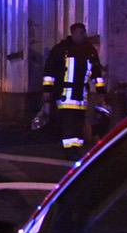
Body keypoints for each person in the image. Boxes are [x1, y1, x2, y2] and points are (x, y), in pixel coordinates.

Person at [39, 22, 104, 155]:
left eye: (84, 32)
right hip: (65, 94)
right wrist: (47, 90)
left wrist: (101, 91)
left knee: (78, 122)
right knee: (69, 121)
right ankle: (69, 149)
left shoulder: (89, 51)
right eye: (81, 33)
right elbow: (49, 71)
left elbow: (96, 73)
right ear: (73, 34)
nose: (83, 35)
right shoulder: (61, 50)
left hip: (81, 95)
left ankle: (75, 147)